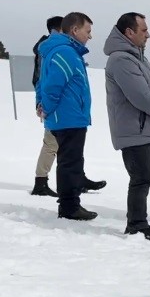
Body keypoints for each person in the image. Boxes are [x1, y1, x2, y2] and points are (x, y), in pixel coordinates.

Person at [105, 12, 150, 240]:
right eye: (143, 30)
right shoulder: (122, 60)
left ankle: (138, 222)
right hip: (133, 129)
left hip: (146, 127)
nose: (148, 35)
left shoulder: (138, 57)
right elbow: (141, 96)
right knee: (142, 177)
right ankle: (136, 224)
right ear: (129, 32)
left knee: (147, 176)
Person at [35, 12, 99, 221]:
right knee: (70, 162)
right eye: (87, 31)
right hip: (68, 117)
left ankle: (69, 203)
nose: (90, 36)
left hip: (67, 116)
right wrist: (47, 107)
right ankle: (70, 206)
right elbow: (52, 86)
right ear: (74, 30)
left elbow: (42, 83)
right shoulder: (66, 52)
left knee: (69, 160)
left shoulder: (60, 51)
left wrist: (43, 105)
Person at [31, 15, 64, 197]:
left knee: (64, 144)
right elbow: (41, 79)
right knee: (51, 143)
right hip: (52, 104)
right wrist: (41, 102)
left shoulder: (47, 48)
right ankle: (40, 182)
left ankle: (77, 178)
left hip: (54, 103)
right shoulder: (48, 50)